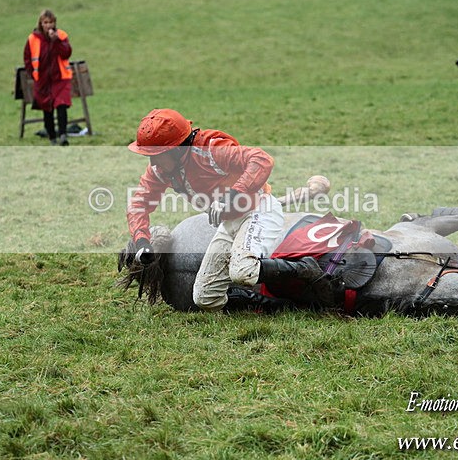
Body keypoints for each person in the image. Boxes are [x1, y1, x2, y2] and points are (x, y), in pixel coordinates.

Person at [126, 108, 330, 312]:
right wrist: (142, 241)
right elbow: (138, 204)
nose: (152, 162)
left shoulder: (211, 149)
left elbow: (261, 159)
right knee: (204, 298)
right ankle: (280, 307)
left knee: (242, 271)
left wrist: (231, 196)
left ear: (178, 149)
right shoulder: (160, 170)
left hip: (259, 211)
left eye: (157, 155)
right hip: (230, 222)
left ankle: (306, 268)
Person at [23, 9, 73, 146]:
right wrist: (33, 74)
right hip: (42, 80)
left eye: (51, 22)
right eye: (45, 22)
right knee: (47, 109)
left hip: (60, 78)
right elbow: (27, 58)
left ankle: (63, 135)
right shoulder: (33, 38)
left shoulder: (61, 35)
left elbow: (66, 53)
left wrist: (56, 41)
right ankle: (52, 138)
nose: (48, 25)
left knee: (61, 105)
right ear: (41, 23)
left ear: (54, 23)